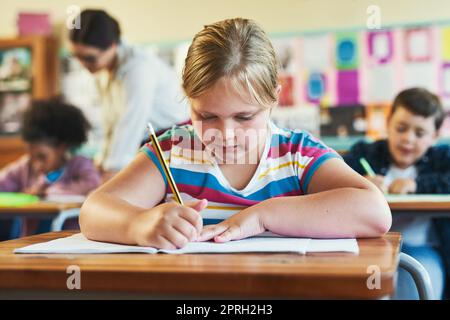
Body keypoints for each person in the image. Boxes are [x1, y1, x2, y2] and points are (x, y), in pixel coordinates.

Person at [79, 18, 391, 250]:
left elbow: (375, 213)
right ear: (189, 100)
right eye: (206, 115)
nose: (225, 134)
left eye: (244, 116)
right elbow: (93, 212)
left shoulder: (297, 154)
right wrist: (139, 224)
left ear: (273, 99)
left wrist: (262, 216)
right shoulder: (174, 150)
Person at [343, 87, 450, 299]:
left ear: (435, 136)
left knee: (418, 287)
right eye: (401, 128)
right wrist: (360, 183)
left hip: (423, 249)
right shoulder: (365, 153)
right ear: (388, 123)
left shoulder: (442, 159)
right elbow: (335, 177)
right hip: (370, 249)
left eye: (420, 133)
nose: (408, 139)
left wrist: (416, 185)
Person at [69, 9, 189, 178]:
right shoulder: (103, 70)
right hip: (145, 145)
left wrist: (111, 170)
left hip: (171, 144)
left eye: (89, 58)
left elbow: (130, 123)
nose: (83, 64)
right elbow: (111, 122)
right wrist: (101, 161)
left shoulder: (138, 68)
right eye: (77, 57)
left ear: (113, 45)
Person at [0, 98, 101, 237]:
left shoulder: (79, 165)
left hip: (67, 241)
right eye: (31, 156)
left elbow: (93, 184)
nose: (36, 165)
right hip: (29, 242)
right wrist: (24, 194)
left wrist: (48, 192)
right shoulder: (25, 166)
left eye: (42, 157)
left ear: (62, 147)